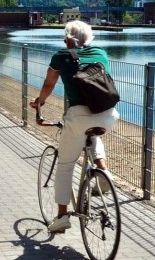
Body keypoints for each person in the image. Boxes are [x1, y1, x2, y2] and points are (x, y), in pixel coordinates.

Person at [29, 20, 119, 234]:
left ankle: (61, 217)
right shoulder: (101, 53)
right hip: (108, 114)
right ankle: (103, 171)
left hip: (78, 117)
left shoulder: (61, 56)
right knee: (94, 134)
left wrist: (39, 103)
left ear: (69, 39)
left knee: (66, 165)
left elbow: (49, 85)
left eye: (64, 38)